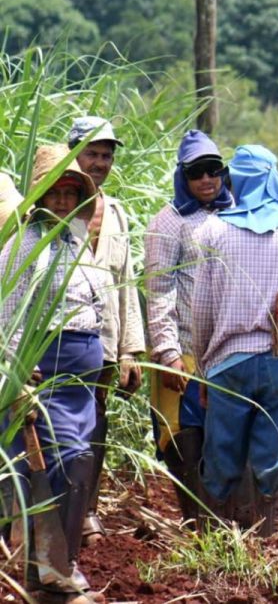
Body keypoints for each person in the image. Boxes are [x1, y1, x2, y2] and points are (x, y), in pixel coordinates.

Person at [192, 145, 278, 537]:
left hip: (227, 364)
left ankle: (216, 542)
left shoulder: (214, 231)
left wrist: (203, 371)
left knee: (221, 458)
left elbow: (201, 312)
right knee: (273, 463)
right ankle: (270, 540)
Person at [2, 145, 109, 603]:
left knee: (78, 462)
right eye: (56, 192)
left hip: (80, 381)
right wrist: (16, 376)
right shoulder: (24, 245)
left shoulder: (75, 239)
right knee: (55, 464)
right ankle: (47, 571)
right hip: (45, 373)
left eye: (71, 192)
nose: (64, 201)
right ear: (40, 196)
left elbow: (95, 304)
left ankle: (58, 567)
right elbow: (9, 316)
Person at [144, 130, 233, 523]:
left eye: (214, 171)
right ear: (184, 176)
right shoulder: (168, 222)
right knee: (182, 438)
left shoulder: (235, 214)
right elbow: (158, 290)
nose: (207, 180)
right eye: (197, 173)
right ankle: (197, 524)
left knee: (222, 438)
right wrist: (166, 355)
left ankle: (221, 523)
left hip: (225, 351)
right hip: (183, 350)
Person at [67, 116, 146, 546]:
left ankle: (87, 511)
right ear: (73, 154)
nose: (99, 163)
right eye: (92, 154)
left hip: (105, 344)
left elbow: (126, 285)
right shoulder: (54, 207)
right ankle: (57, 510)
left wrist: (131, 349)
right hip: (59, 341)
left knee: (96, 427)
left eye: (106, 156)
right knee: (59, 428)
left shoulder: (115, 213)